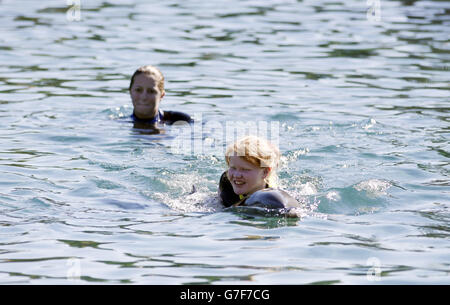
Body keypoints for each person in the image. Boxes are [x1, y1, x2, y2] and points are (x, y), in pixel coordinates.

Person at [218, 135, 300, 211]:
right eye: (233, 168)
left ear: (265, 172)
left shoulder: (273, 200)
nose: (236, 175)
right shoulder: (227, 185)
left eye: (245, 169)